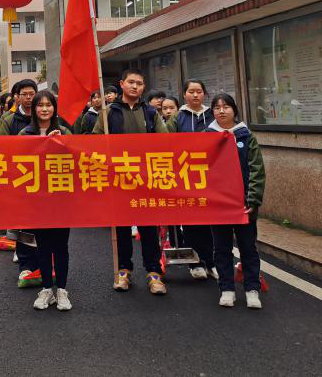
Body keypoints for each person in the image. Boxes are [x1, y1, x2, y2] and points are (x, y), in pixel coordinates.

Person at [94, 69, 169, 295]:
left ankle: (154, 272)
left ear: (143, 87)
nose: (135, 86)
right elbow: (95, 141)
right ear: (122, 84)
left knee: (148, 229)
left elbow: (165, 141)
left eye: (139, 83)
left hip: (146, 180)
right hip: (119, 180)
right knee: (122, 228)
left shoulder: (150, 112)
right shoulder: (109, 112)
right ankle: (123, 270)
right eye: (131, 82)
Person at [207, 93, 266, 309]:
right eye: (217, 107)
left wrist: (253, 199)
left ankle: (252, 289)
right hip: (218, 205)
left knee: (248, 247)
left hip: (244, 205)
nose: (221, 111)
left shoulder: (246, 136)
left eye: (226, 107)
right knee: (221, 248)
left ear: (234, 110)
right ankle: (227, 289)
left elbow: (257, 169)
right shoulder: (206, 137)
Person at [18, 90, 74, 311]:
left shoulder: (65, 131)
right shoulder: (25, 133)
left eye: (48, 105)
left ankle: (62, 290)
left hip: (61, 198)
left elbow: (76, 160)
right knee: (42, 246)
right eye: (40, 105)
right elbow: (17, 161)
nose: (44, 109)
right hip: (36, 199)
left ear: (54, 108)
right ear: (34, 109)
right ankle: (46, 288)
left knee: (61, 246)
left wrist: (61, 143)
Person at [167, 79, 216, 280]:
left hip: (210, 176)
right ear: (184, 94)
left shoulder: (213, 115)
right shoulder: (177, 118)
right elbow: (166, 144)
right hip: (185, 176)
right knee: (190, 222)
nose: (195, 95)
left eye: (199, 91)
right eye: (191, 91)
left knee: (210, 222)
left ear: (204, 94)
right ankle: (195, 263)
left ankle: (211, 262)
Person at [0, 79, 42, 287]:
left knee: (44, 224)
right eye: (25, 94)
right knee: (24, 224)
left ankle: (44, 263)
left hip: (44, 180)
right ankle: (26, 265)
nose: (29, 97)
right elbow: (2, 148)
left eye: (32, 93)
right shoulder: (8, 120)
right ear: (17, 97)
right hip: (20, 179)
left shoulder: (45, 115)